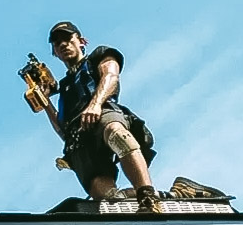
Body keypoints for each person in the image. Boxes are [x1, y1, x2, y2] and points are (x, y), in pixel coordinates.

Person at [36, 21, 160, 212]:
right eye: (57, 43)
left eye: (68, 38)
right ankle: (174, 194)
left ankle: (148, 198)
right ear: (54, 53)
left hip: (102, 112)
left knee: (116, 133)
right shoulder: (65, 87)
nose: (62, 44)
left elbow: (111, 76)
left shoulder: (99, 56)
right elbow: (63, 129)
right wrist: (44, 101)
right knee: (108, 198)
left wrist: (95, 105)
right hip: (79, 139)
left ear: (82, 41)